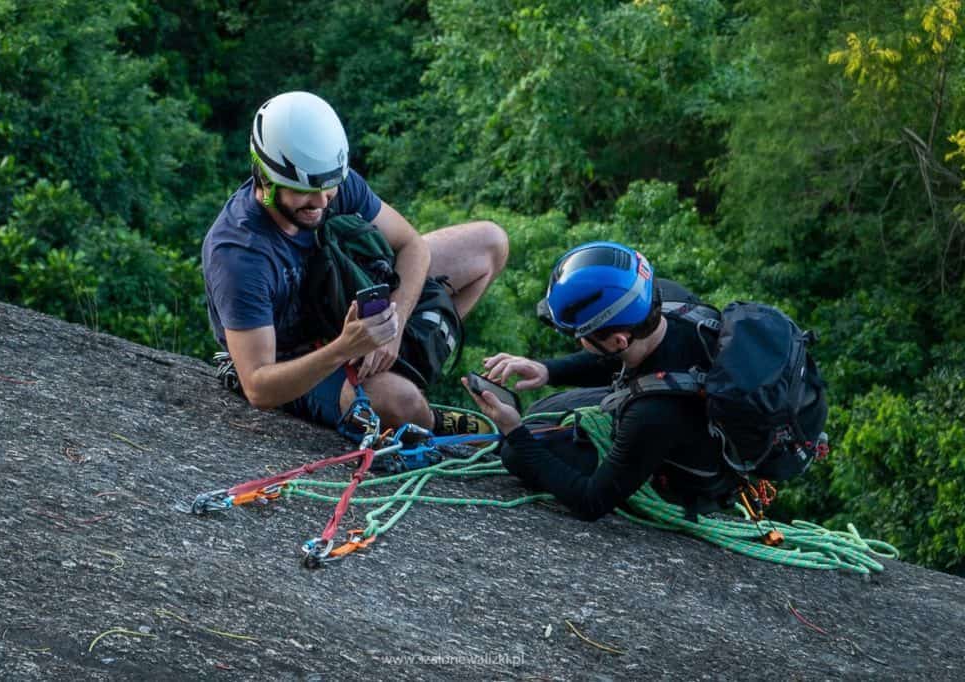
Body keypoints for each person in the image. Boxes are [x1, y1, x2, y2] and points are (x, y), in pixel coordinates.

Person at [203, 91, 508, 433]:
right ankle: (428, 419)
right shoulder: (240, 255)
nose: (320, 202)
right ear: (265, 178)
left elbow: (412, 245)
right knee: (401, 404)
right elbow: (258, 386)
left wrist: (394, 324)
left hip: (346, 300)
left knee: (490, 244)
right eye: (304, 191)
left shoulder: (330, 180)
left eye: (328, 188)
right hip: (294, 357)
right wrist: (343, 349)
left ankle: (402, 361)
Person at [462, 241, 824, 520]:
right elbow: (619, 360)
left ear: (618, 339)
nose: (577, 341)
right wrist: (548, 371)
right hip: (680, 416)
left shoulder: (655, 413)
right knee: (545, 410)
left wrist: (513, 432)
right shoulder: (669, 303)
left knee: (517, 453)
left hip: (688, 468)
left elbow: (592, 501)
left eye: (580, 334)